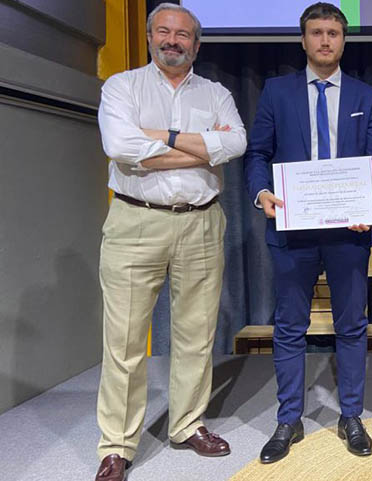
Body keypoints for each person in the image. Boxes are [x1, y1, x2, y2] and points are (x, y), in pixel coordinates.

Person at [94, 3, 246, 480]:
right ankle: (117, 445)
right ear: (149, 37)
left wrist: (158, 140)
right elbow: (121, 148)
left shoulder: (216, 93)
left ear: (196, 44)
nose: (173, 40)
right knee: (123, 341)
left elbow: (236, 143)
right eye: (164, 31)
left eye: (183, 34)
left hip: (201, 222)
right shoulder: (121, 87)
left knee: (196, 334)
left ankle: (187, 424)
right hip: (136, 222)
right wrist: (201, 150)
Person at [244, 2, 372, 464]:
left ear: (344, 41)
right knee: (288, 327)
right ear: (303, 40)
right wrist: (261, 191)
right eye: (317, 33)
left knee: (351, 325)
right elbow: (258, 154)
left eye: (334, 33)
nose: (325, 41)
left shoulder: (367, 96)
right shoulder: (276, 91)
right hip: (291, 231)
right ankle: (289, 420)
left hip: (348, 233)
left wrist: (370, 205)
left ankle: (351, 416)